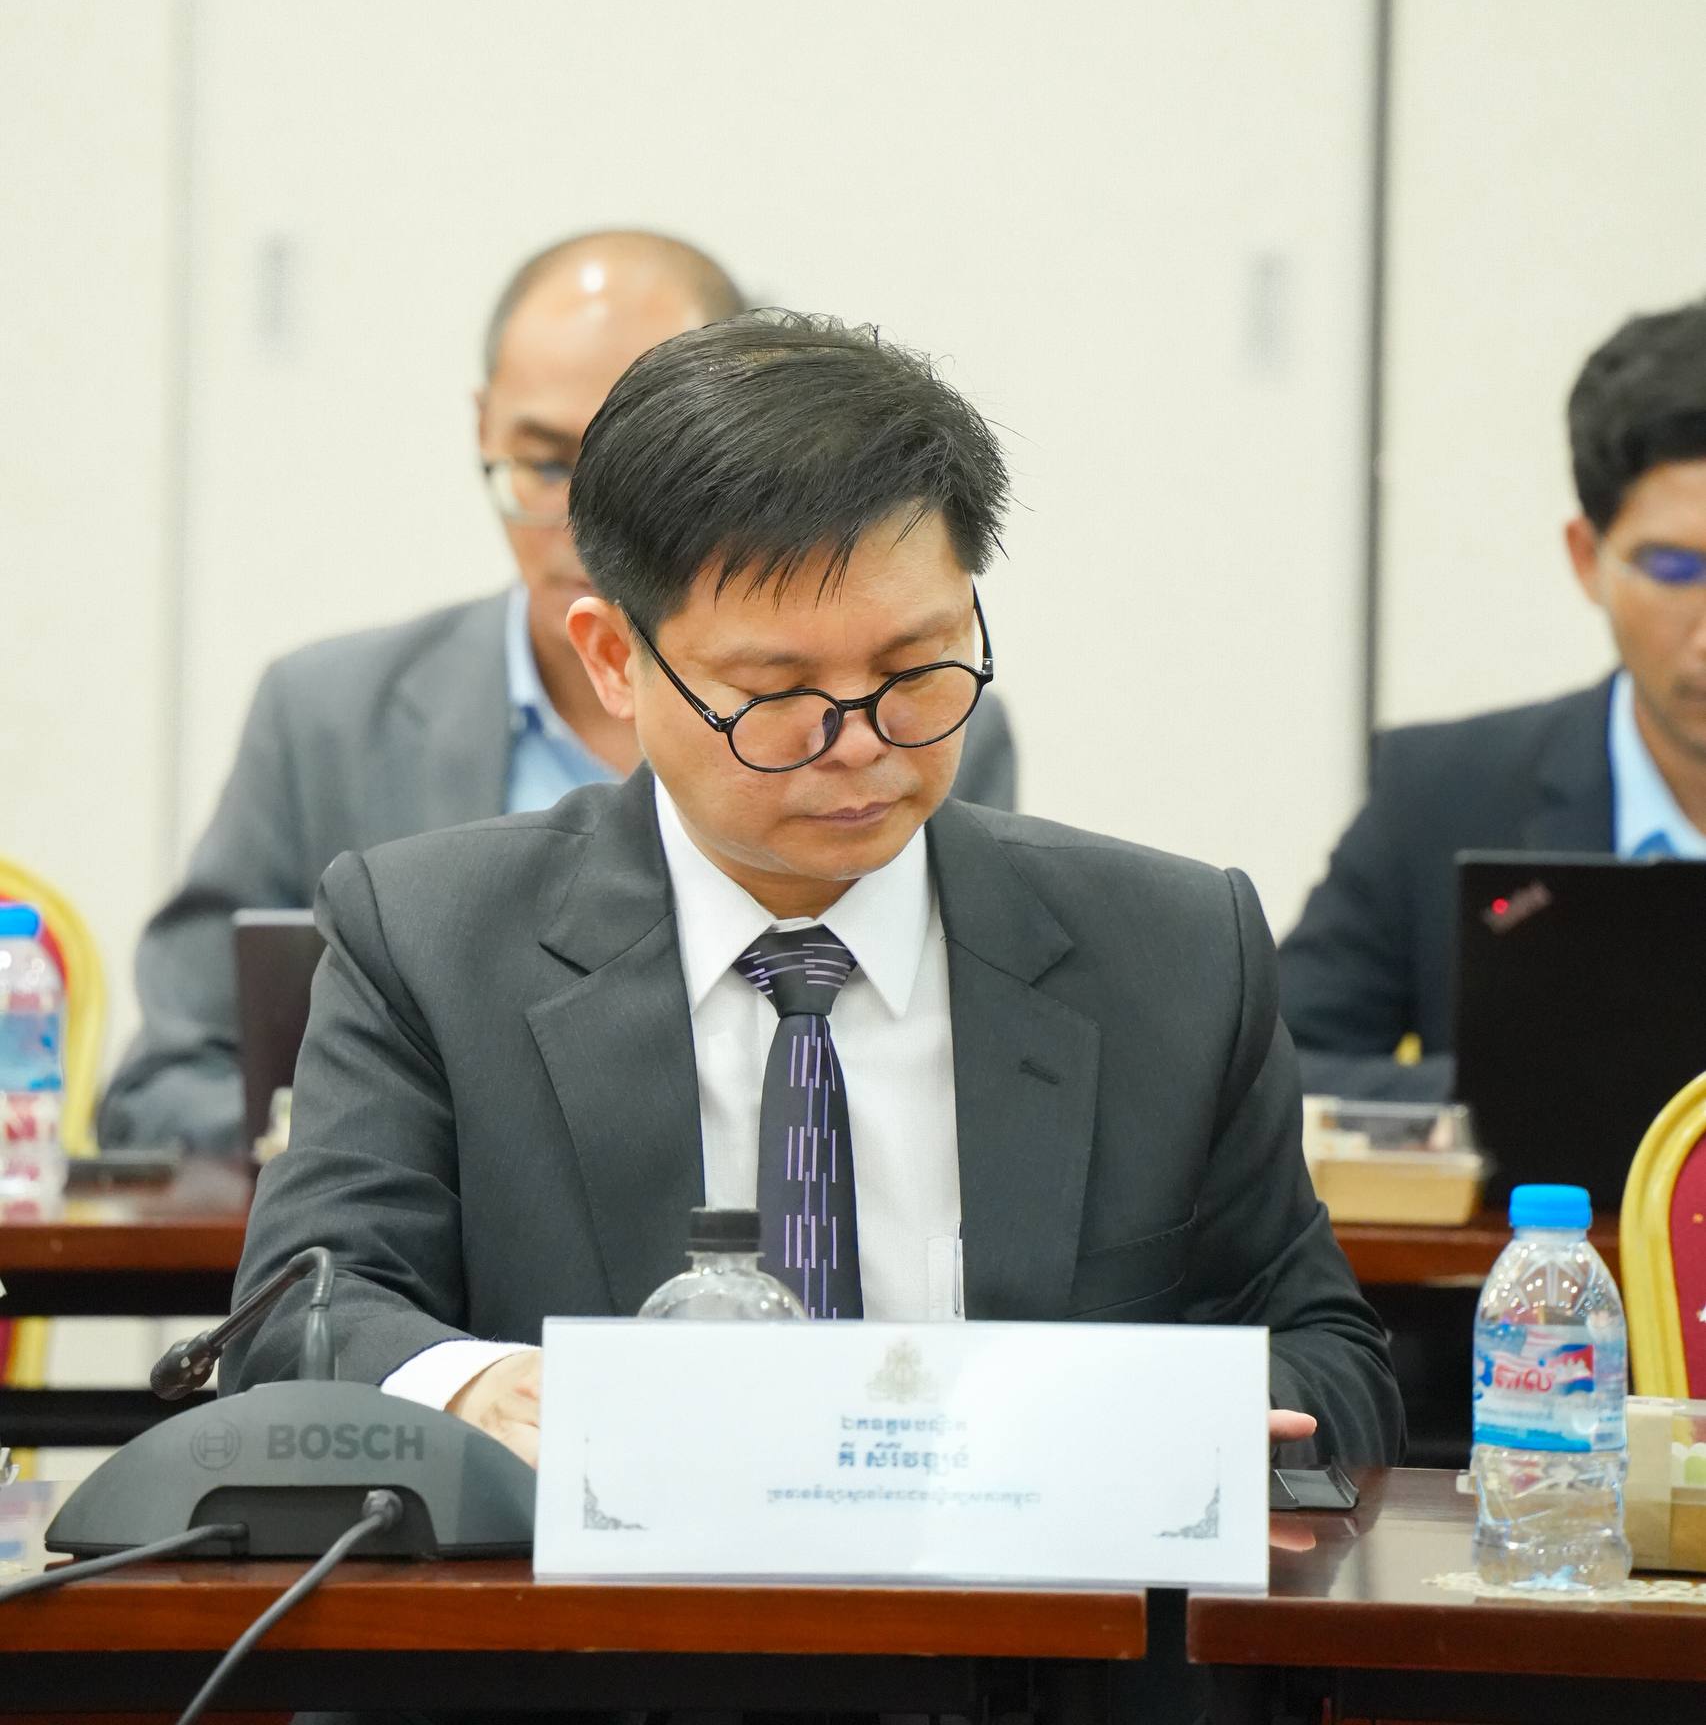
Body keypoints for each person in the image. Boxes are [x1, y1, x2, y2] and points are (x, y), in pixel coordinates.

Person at [224, 312, 1402, 1484]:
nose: (860, 743)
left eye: (914, 668)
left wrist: (1179, 1413)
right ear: (616, 659)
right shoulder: (430, 939)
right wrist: (474, 1387)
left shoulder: (1173, 952)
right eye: (777, 690)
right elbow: (301, 1317)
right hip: (606, 1602)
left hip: (1036, 1601)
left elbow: (1329, 1353)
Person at [99, 239, 1021, 1153]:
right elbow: (167, 1081)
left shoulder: (916, 719)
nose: (590, 526)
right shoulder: (329, 717)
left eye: (662, 468)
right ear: (485, 431)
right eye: (547, 465)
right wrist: (383, 1132)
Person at [1281, 295, 1706, 1102]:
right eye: (1675, 570)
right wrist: (1521, 1098)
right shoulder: (1443, 794)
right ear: (1587, 558)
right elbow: (1273, 1067)